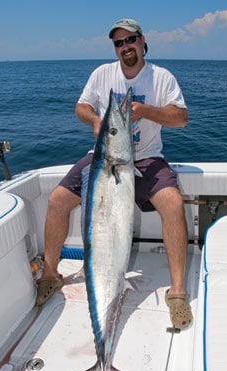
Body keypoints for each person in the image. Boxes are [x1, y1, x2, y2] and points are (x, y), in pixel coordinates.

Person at [36, 18, 193, 329]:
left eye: (130, 40)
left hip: (146, 158)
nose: (125, 47)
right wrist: (95, 120)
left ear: (142, 40)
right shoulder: (102, 74)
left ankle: (177, 293)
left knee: (173, 204)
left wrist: (146, 111)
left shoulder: (161, 77)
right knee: (57, 200)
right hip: (103, 158)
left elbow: (181, 118)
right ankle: (51, 274)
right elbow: (81, 106)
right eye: (118, 43)